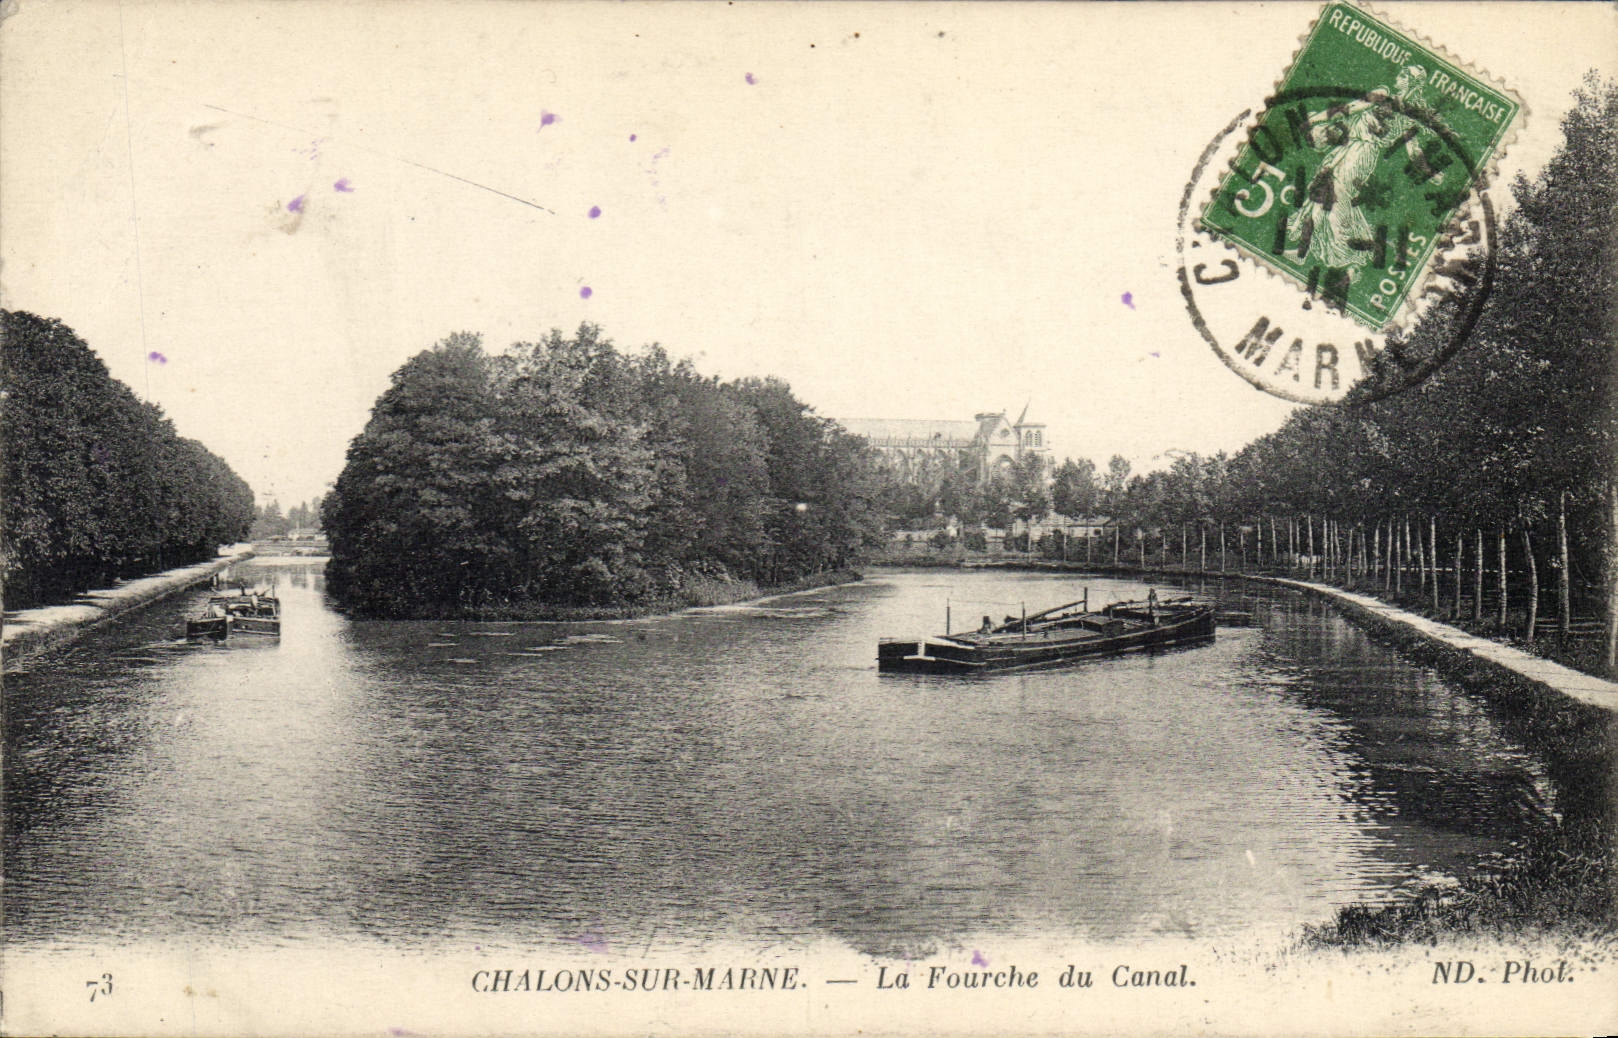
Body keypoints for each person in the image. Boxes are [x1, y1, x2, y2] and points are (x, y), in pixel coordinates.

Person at [1286, 65, 1443, 276]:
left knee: (1336, 197)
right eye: (1402, 72)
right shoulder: (1382, 94)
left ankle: (1354, 256)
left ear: (1412, 83)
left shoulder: (1408, 114)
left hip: (1362, 154)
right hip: (1349, 146)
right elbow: (1348, 109)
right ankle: (1304, 251)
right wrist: (1315, 120)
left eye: (1405, 75)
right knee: (1320, 194)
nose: (1400, 75)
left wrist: (1429, 172)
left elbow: (1413, 149)